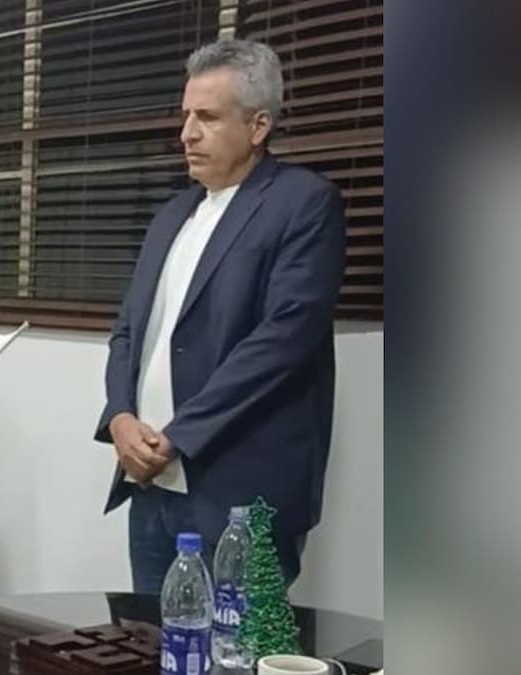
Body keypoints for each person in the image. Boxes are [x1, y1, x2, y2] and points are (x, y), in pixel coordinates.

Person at [94, 40, 347, 593]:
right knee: (152, 638)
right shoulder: (172, 214)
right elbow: (128, 333)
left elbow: (284, 340)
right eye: (186, 115)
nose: (186, 133)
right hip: (151, 485)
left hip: (239, 494)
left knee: (240, 640)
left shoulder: (303, 203)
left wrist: (178, 436)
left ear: (258, 126)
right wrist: (120, 418)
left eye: (207, 117)